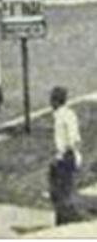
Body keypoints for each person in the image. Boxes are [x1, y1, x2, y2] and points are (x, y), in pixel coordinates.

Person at [49, 86, 82, 226]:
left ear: (56, 101)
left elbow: (71, 140)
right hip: (67, 156)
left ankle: (65, 219)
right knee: (62, 190)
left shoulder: (61, 117)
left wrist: (62, 156)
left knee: (61, 190)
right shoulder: (69, 114)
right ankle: (63, 217)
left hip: (66, 157)